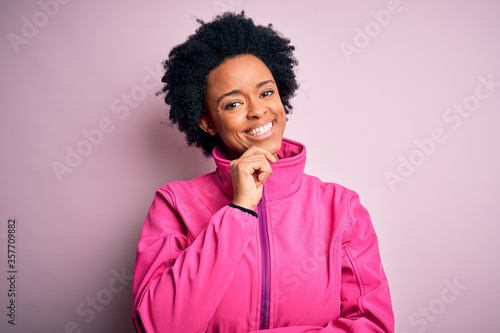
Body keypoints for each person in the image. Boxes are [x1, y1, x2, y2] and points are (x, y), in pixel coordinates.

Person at [132, 11, 394, 333]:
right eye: (233, 104)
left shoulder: (342, 208)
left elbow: (372, 325)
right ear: (207, 122)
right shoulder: (175, 204)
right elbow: (159, 327)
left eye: (266, 92)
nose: (258, 111)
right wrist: (239, 209)